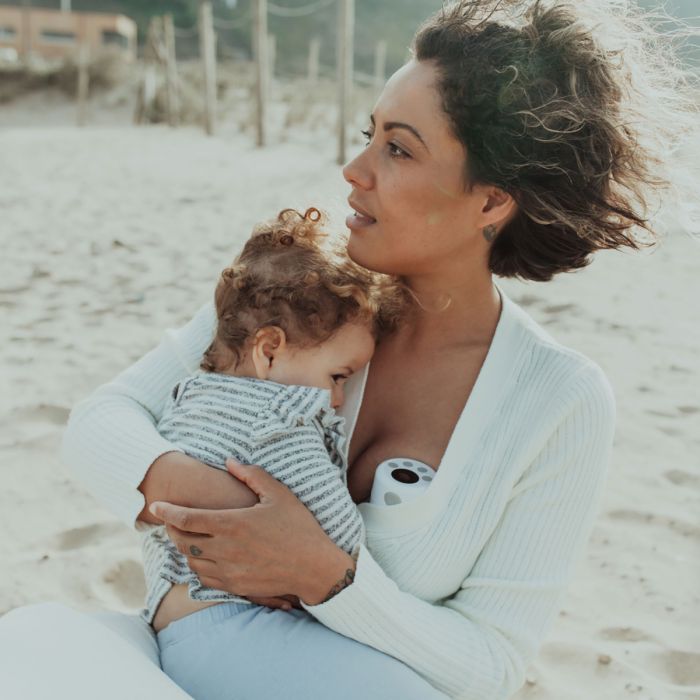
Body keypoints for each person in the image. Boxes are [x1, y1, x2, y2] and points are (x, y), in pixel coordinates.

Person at [1, 1, 694, 699]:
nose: (353, 170)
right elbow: (98, 426)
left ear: (491, 202)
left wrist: (324, 575)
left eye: (398, 149)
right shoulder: (303, 293)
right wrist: (228, 509)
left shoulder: (558, 400)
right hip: (171, 659)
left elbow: (490, 666)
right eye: (370, 135)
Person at [142, 206, 401, 641]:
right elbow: (338, 538)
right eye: (338, 377)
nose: (338, 399)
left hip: (170, 608)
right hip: (236, 619)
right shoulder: (280, 417)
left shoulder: (189, 393)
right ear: (269, 351)